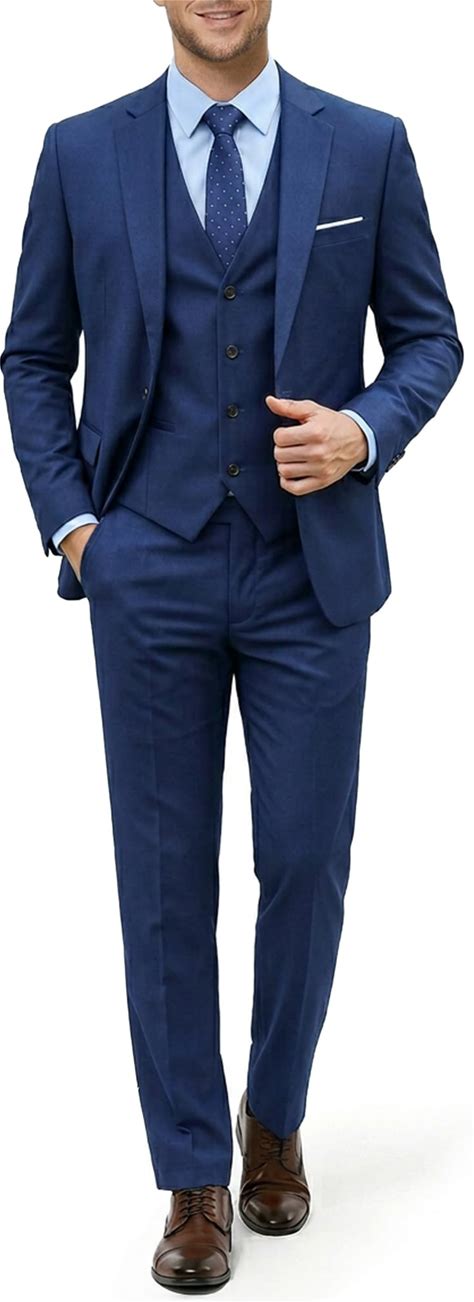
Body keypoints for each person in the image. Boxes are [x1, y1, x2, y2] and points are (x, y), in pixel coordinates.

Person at [1, 0, 463, 1291]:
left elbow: (431, 337)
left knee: (305, 860)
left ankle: (276, 1114)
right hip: (145, 561)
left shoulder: (365, 145)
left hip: (306, 571)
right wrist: (78, 529)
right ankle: (192, 1173)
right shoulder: (79, 151)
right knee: (162, 881)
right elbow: (31, 357)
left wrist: (363, 430)